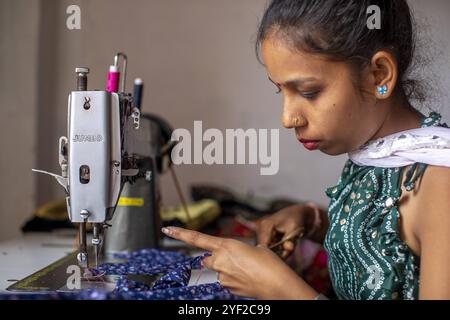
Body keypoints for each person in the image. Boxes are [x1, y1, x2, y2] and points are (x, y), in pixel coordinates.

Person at [162, 0, 450, 300]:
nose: (288, 118)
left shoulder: (441, 185)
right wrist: (313, 221)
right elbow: (390, 246)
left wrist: (283, 291)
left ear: (379, 74)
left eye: (309, 92)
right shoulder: (377, 155)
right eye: (281, 90)